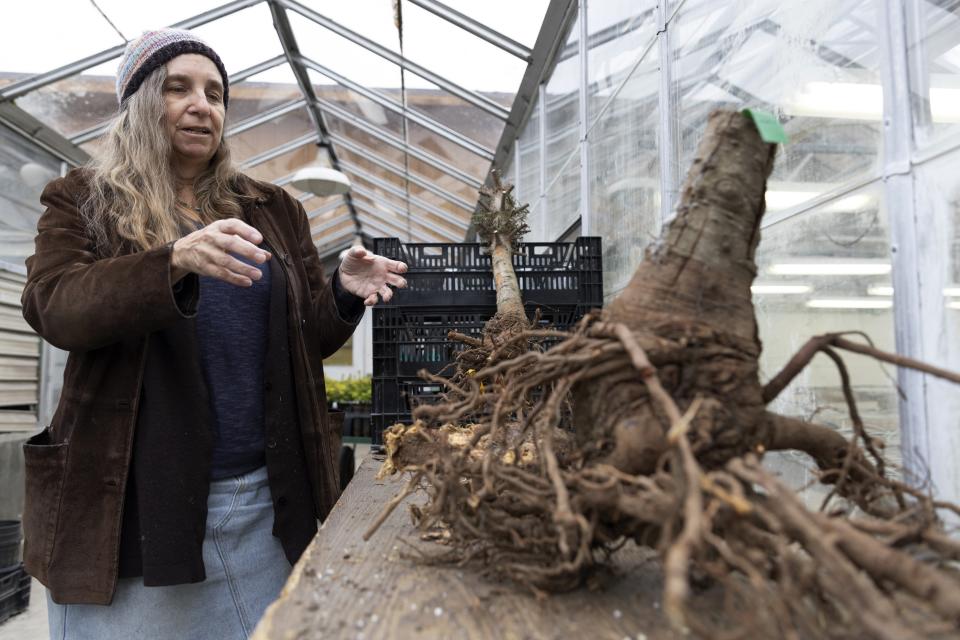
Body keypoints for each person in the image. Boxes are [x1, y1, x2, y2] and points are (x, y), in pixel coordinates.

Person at [19, 28, 407, 639]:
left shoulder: (272, 207)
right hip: (135, 502)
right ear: (141, 104)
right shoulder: (83, 200)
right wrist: (171, 260)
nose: (203, 105)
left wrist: (341, 294)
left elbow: (307, 342)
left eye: (216, 93)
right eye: (179, 88)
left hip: (262, 501)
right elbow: (55, 307)